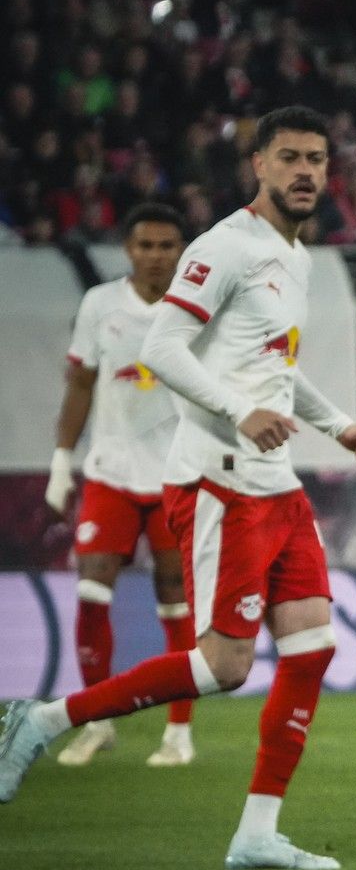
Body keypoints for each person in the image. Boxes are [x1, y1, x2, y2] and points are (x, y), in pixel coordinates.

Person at [1, 107, 356, 870]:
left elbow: (276, 366)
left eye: (317, 158)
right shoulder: (225, 247)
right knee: (223, 665)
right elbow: (162, 346)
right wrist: (237, 411)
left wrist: (338, 425)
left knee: (312, 648)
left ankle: (256, 832)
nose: (306, 171)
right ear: (258, 164)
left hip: (275, 485)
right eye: (290, 158)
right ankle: (45, 718)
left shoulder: (296, 255)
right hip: (220, 480)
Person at [43, 203, 200, 768]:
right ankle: (98, 721)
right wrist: (62, 459)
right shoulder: (100, 305)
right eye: (145, 245)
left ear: (181, 251)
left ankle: (178, 733)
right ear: (128, 250)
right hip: (110, 472)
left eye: (166, 246)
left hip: (175, 475)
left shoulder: (197, 309)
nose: (156, 256)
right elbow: (81, 383)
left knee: (175, 599)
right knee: (91, 588)